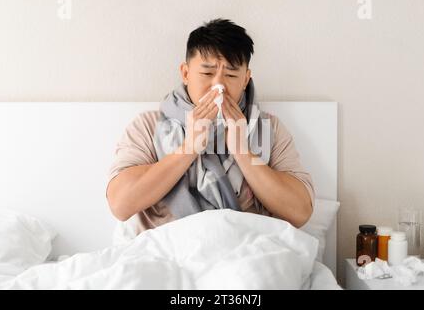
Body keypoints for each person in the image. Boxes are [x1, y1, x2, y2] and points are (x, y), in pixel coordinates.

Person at [106, 19, 314, 242]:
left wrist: (243, 152)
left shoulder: (267, 128)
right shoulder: (149, 126)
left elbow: (300, 211)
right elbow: (121, 204)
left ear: (245, 79)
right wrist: (189, 148)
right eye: (207, 73)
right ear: (185, 73)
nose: (219, 86)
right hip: (166, 251)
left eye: (231, 75)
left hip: (245, 249)